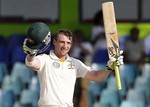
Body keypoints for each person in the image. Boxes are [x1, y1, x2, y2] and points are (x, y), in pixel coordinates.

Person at [23, 22, 124, 107]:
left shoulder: (75, 63)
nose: (65, 46)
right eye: (62, 42)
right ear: (54, 41)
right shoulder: (45, 59)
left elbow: (96, 77)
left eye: (68, 43)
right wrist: (31, 54)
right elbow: (31, 63)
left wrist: (109, 67)